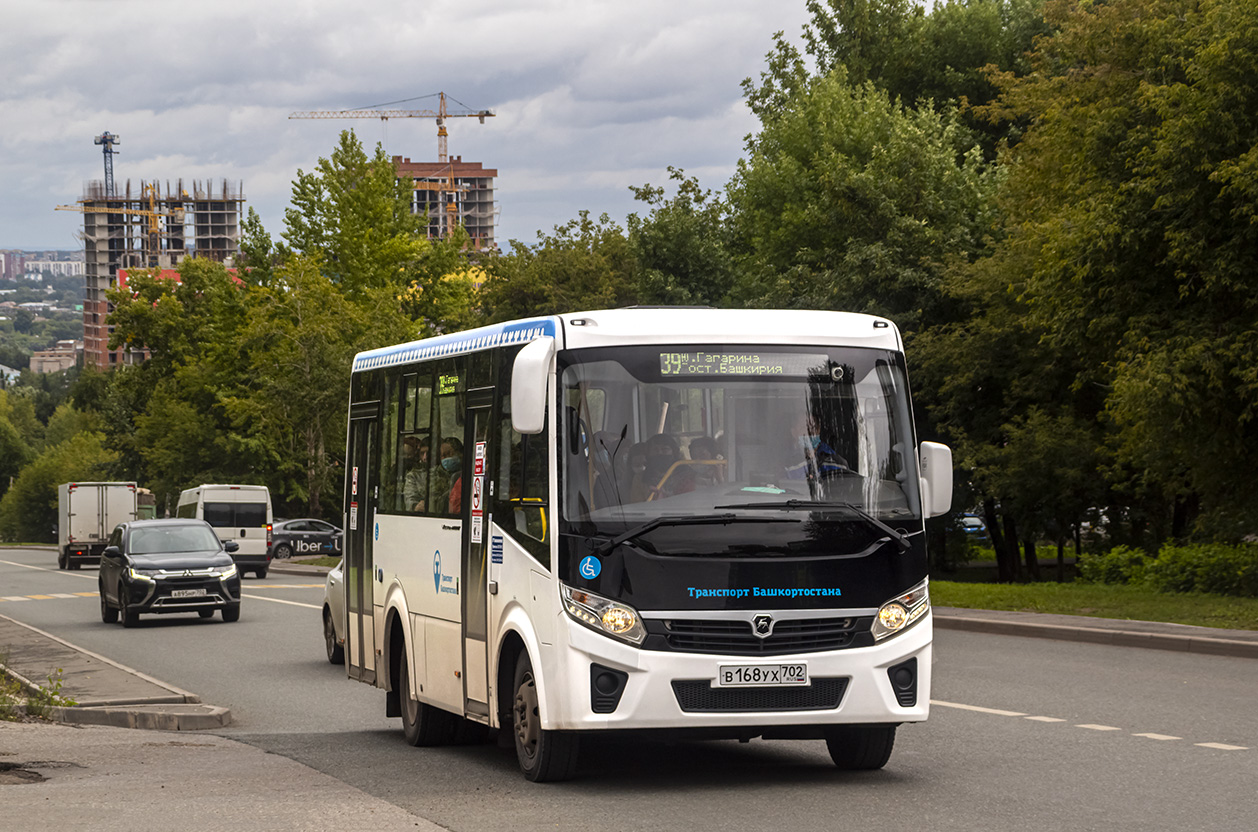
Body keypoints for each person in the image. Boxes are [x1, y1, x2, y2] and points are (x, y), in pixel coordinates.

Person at [402, 437, 430, 511]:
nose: (425, 457)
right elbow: (410, 499)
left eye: (429, 453)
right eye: (422, 453)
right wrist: (415, 506)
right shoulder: (414, 475)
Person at [441, 437, 464, 514]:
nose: (446, 458)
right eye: (443, 455)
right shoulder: (435, 475)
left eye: (449, 453)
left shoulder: (468, 473)